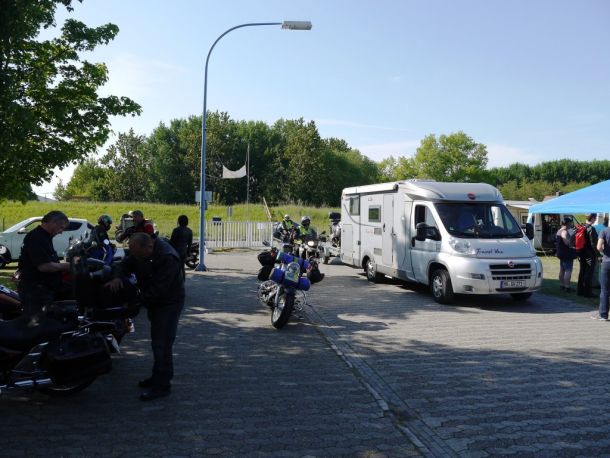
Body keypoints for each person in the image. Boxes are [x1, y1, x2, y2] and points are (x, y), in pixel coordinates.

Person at [105, 232, 184, 401]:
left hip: (169, 303)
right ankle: (157, 376)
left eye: (138, 254)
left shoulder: (168, 257)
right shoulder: (140, 251)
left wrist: (136, 302)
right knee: (157, 341)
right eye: (133, 253)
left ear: (148, 247)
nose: (136, 257)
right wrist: (117, 277)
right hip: (156, 301)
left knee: (162, 343)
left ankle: (162, 385)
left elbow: (160, 289)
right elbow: (123, 264)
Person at [17, 211, 71, 316]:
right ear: (53, 222)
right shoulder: (36, 237)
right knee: (39, 323)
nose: (61, 232)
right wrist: (69, 266)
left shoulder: (45, 237)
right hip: (35, 291)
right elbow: (44, 266)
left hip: (44, 288)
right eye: (61, 227)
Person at [577, 213, 599, 298]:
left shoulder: (581, 226)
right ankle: (587, 293)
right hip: (589, 253)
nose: (595, 219)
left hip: (581, 252)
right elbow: (594, 244)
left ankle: (580, 291)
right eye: (595, 218)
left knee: (582, 271)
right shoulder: (591, 229)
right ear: (592, 218)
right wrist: (598, 254)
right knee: (589, 273)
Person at [593, 222, 610, 320]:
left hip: (607, 261)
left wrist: (604, 250)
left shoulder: (604, 231)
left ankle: (603, 314)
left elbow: (598, 247)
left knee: (605, 290)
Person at [555, 217, 577, 292]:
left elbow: (573, 235)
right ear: (568, 223)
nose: (571, 224)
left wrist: (573, 233)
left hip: (562, 252)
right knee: (568, 270)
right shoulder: (564, 231)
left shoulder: (561, 230)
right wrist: (572, 241)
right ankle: (567, 287)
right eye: (570, 223)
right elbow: (566, 242)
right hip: (566, 253)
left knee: (562, 269)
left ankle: (562, 285)